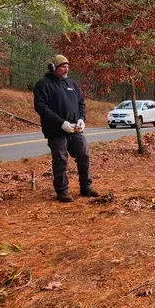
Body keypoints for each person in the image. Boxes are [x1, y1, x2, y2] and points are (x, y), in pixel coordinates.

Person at [33, 55, 100, 202]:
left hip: (75, 129)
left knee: (84, 155)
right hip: (56, 131)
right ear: (53, 68)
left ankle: (86, 187)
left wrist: (82, 119)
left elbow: (81, 103)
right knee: (60, 159)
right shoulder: (43, 85)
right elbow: (41, 107)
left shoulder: (72, 84)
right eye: (62, 66)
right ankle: (62, 191)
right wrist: (61, 123)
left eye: (67, 66)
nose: (66, 69)